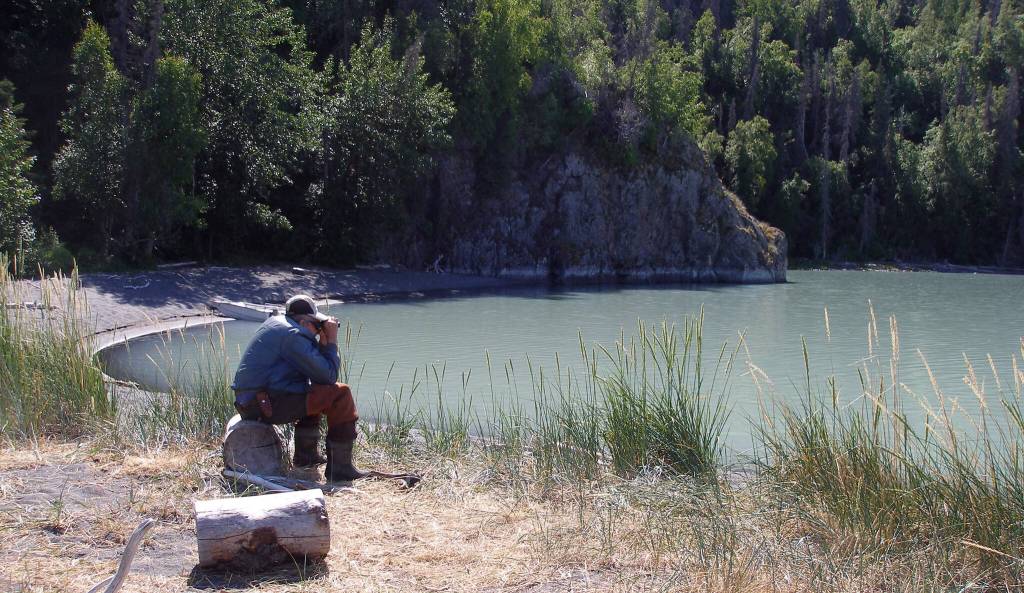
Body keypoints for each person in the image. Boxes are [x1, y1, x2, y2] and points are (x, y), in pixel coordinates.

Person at [231, 294, 366, 481]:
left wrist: (320, 345)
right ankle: (341, 470)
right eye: (316, 325)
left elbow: (317, 376)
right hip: (264, 404)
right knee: (341, 394)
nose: (318, 332)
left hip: (254, 402)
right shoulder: (293, 335)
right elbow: (328, 376)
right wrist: (331, 342)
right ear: (304, 322)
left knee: (313, 390)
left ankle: (306, 459)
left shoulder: (278, 325)